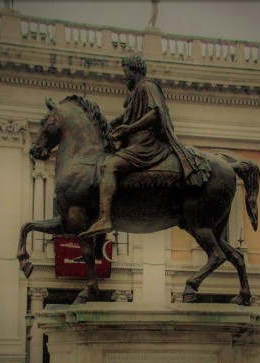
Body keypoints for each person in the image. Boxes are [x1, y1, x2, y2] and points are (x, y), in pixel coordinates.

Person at [79, 55, 211, 238]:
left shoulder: (148, 86)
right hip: (136, 143)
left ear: (134, 71)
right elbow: (124, 118)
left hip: (147, 144)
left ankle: (105, 218)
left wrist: (129, 129)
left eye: (125, 72)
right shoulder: (135, 93)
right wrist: (105, 126)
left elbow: (156, 113)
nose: (124, 76)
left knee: (109, 166)